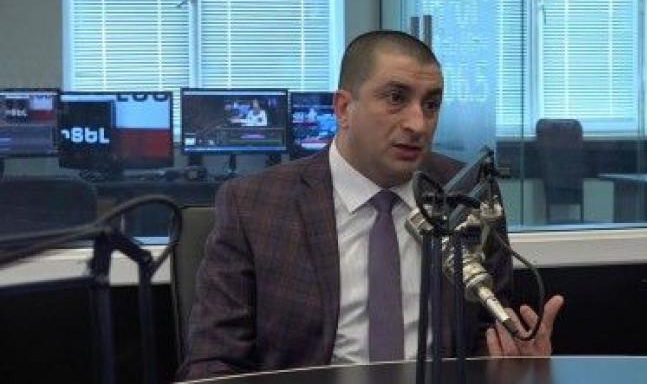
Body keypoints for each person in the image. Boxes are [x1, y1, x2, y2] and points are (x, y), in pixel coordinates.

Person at [179, 30, 564, 379]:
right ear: (343, 109)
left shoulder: (466, 193)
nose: (418, 124)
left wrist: (515, 362)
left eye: (431, 104)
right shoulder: (256, 206)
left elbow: (483, 337)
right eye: (396, 98)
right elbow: (213, 364)